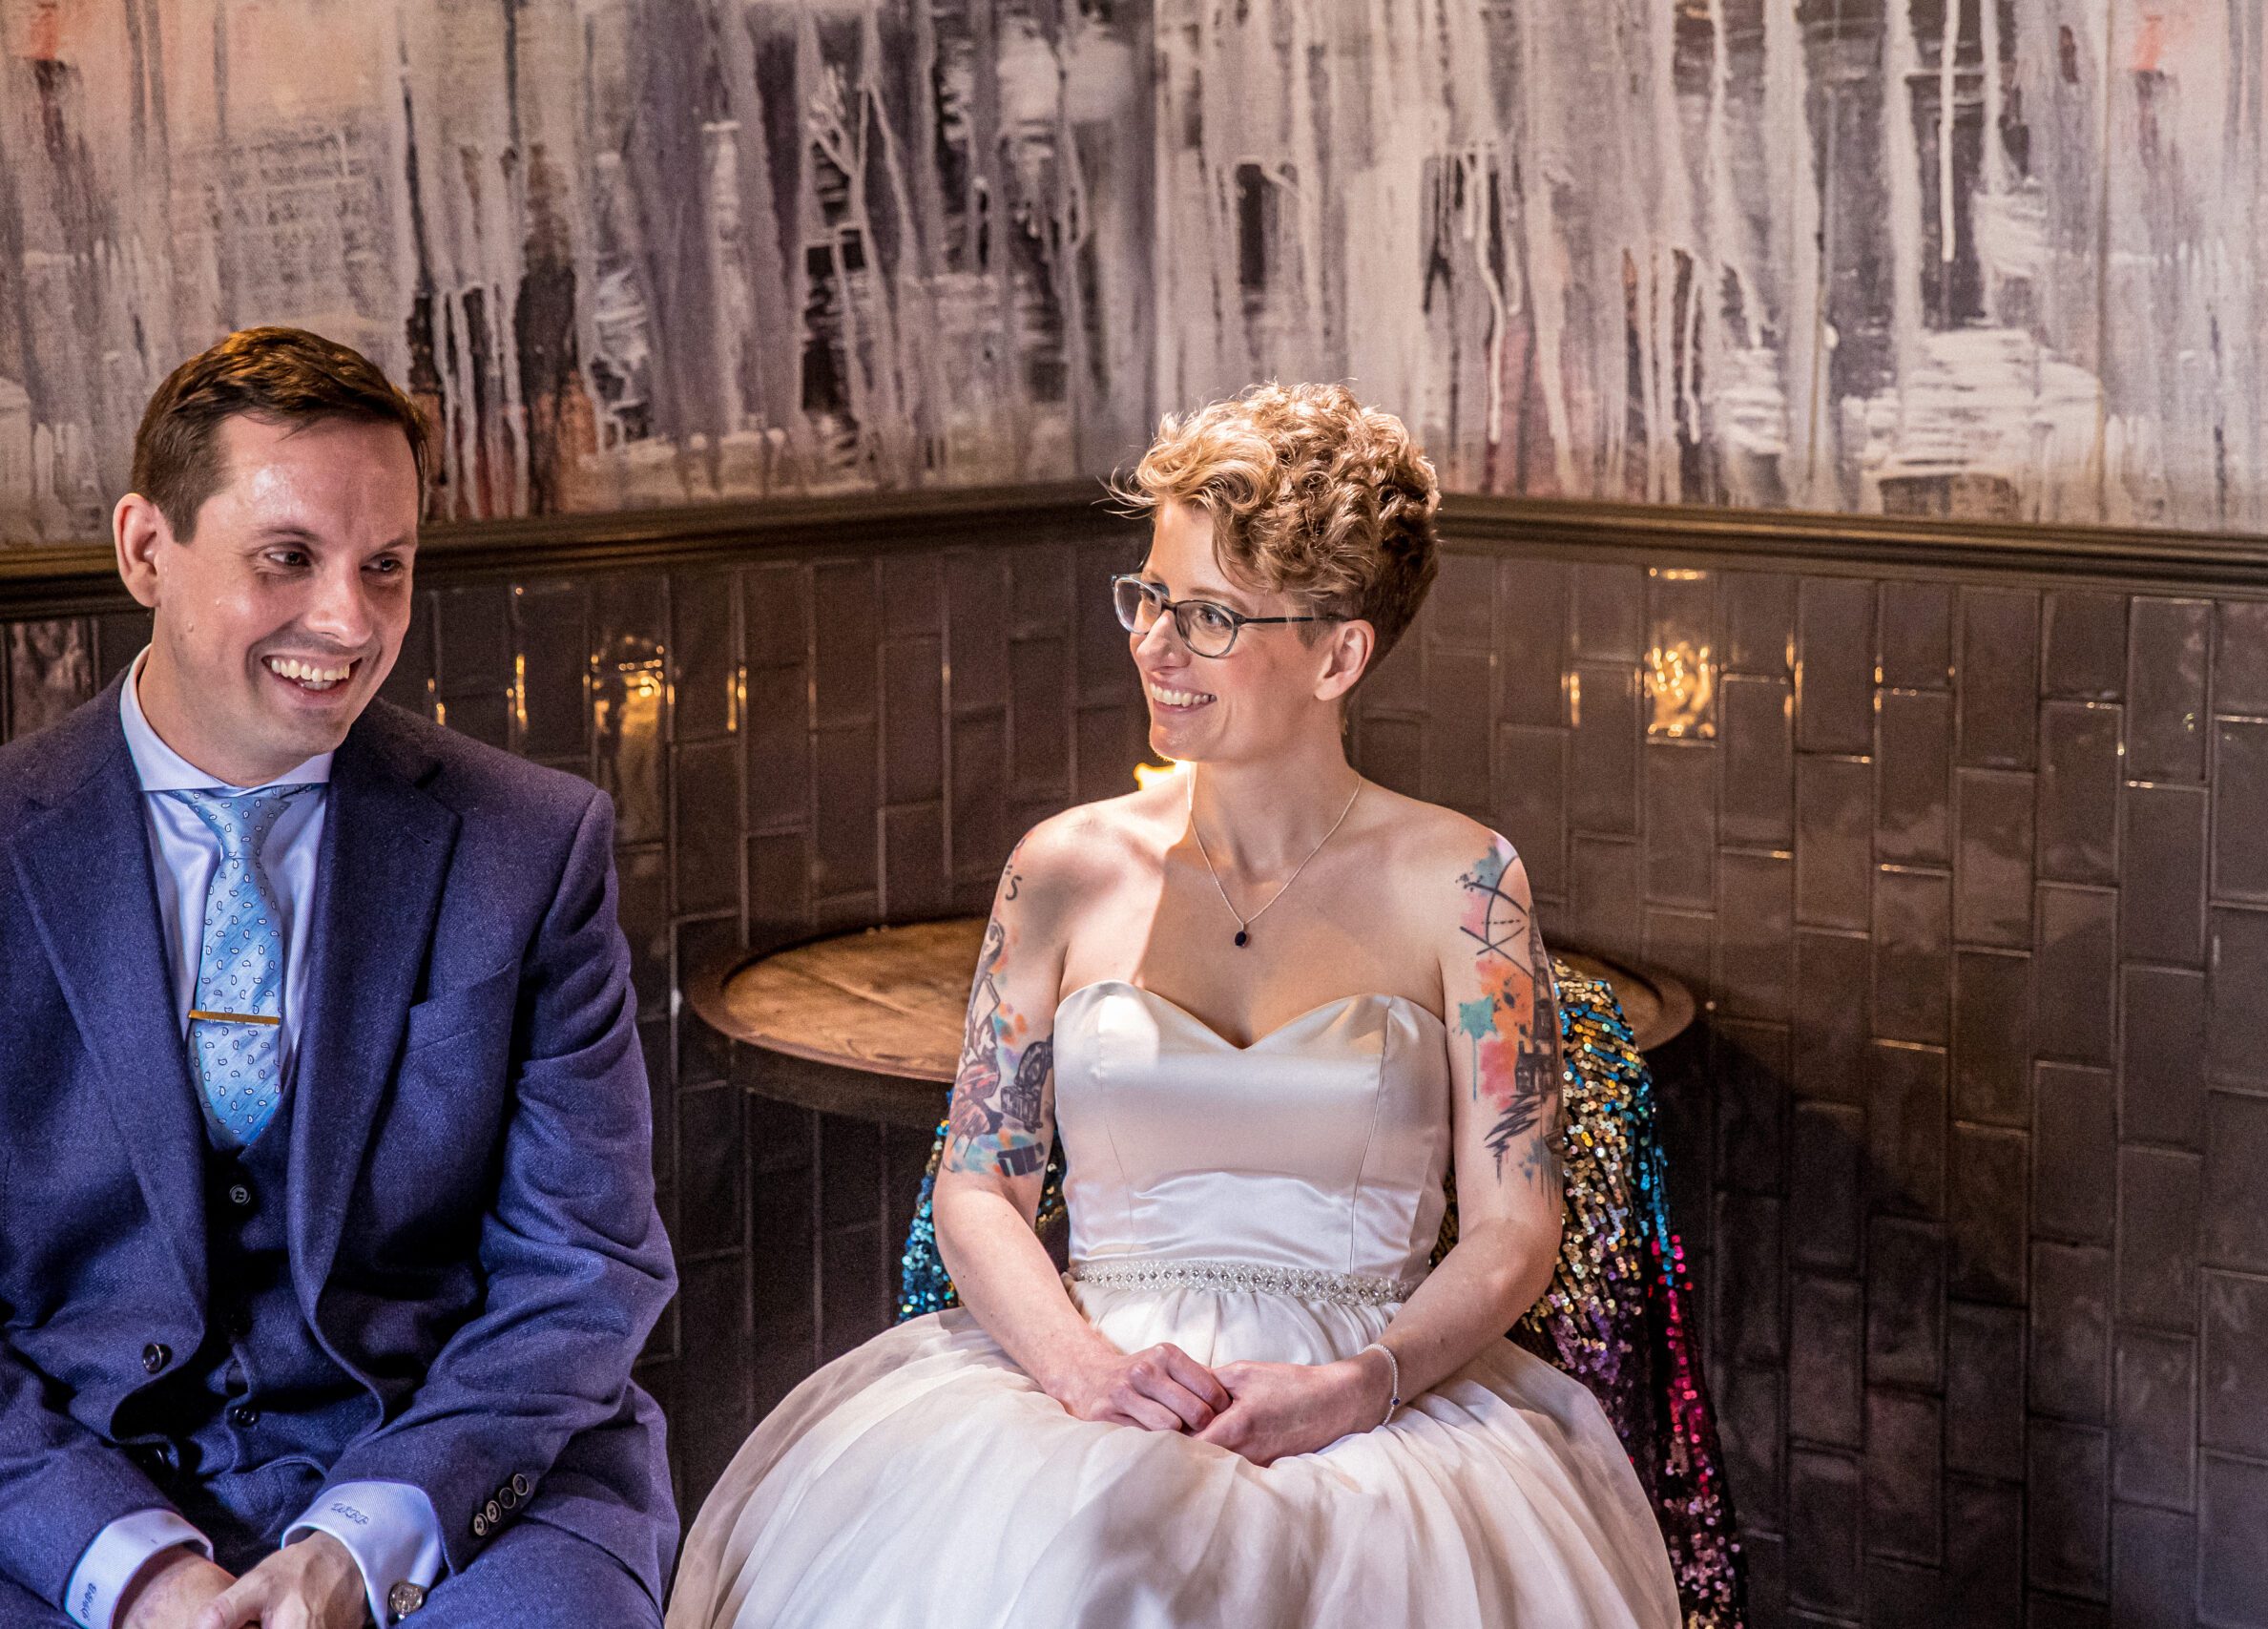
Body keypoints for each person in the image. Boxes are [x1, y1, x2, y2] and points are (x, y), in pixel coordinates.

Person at [669, 383, 1682, 1627]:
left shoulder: (1469, 886)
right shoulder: (1060, 871)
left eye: (1205, 616)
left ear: (1339, 652)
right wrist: (1082, 1372)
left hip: (1374, 1409)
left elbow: (1516, 1225)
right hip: (1084, 1389)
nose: (1153, 644)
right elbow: (979, 1183)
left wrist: (1366, 1383)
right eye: (1147, 596)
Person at [0, 328, 677, 1628]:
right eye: (287, 559)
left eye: (386, 568)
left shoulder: (531, 848)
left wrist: (359, 1546)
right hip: (58, 1481)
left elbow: (584, 1265)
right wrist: (131, 1567)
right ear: (147, 549)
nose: (350, 623)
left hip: (456, 1467)